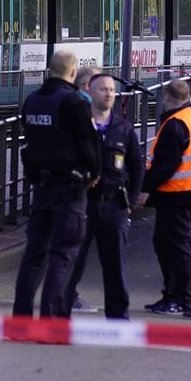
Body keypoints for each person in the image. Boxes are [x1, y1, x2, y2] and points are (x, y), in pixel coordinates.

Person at [13, 49, 101, 318]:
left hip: (41, 187)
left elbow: (26, 145)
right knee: (62, 254)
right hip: (70, 188)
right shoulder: (74, 102)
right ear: (73, 72)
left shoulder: (33, 100)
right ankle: (51, 319)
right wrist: (95, 172)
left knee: (34, 255)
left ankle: (22, 317)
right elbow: (88, 143)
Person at [64, 68, 145, 319]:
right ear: (90, 91)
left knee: (115, 266)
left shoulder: (123, 128)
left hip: (114, 206)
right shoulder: (78, 125)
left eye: (112, 90)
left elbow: (137, 165)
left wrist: (130, 202)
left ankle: (118, 318)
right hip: (83, 204)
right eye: (103, 89)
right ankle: (61, 313)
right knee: (72, 262)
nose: (109, 94)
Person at [141, 77, 191, 316]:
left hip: (177, 195)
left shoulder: (174, 125)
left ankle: (179, 299)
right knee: (168, 245)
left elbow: (164, 165)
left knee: (175, 248)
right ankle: (174, 296)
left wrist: (144, 189)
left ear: (167, 98)